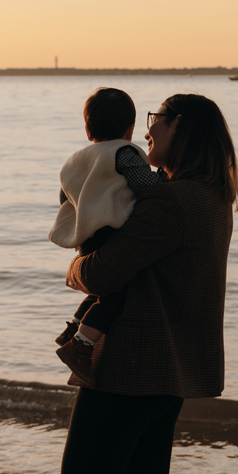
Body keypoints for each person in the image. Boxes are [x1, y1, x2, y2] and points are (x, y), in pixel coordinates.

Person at [60, 93, 238, 474]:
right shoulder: (213, 198)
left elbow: (102, 273)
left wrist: (75, 266)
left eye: (157, 118)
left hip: (132, 369)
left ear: (179, 126)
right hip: (168, 372)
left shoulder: (170, 201)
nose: (148, 128)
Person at [49, 87, 160, 386]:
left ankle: (74, 327)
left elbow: (66, 198)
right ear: (130, 129)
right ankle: (80, 346)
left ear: (88, 129)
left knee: (102, 292)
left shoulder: (75, 160)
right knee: (118, 295)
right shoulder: (125, 153)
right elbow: (144, 186)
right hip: (112, 229)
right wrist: (166, 178)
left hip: (87, 235)